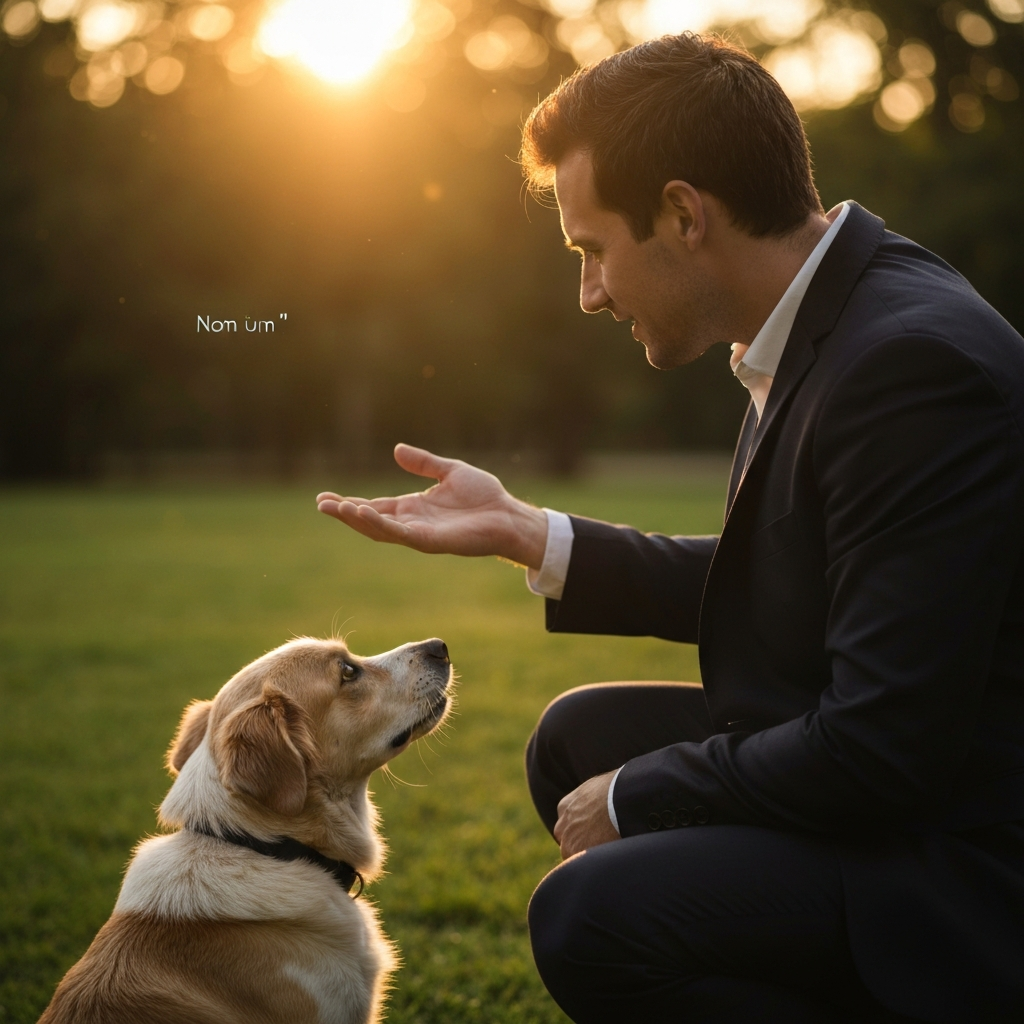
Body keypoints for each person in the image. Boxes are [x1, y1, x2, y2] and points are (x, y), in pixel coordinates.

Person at [316, 33, 1024, 1024]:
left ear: (683, 215)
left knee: (589, 914)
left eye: (592, 251)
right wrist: (532, 532)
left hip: (960, 861)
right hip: (907, 780)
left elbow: (881, 748)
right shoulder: (828, 315)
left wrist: (638, 795)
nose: (589, 293)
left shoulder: (909, 368)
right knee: (577, 738)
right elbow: (800, 575)